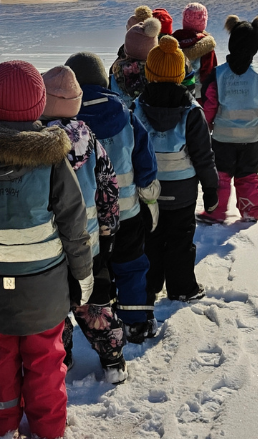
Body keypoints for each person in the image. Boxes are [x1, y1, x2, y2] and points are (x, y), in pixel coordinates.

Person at [0, 61, 94, 439]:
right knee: (46, 360)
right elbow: (73, 221)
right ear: (39, 104)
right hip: (44, 288)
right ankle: (48, 428)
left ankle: (1, 427)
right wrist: (83, 275)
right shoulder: (52, 160)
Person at [66, 51, 161, 345]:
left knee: (98, 271)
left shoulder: (67, 124)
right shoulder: (126, 114)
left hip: (89, 222)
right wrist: (149, 194)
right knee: (132, 265)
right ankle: (135, 321)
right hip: (128, 213)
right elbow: (145, 160)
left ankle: (102, 324)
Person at [39, 66, 127, 384]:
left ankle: (62, 356)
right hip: (88, 243)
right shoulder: (88, 139)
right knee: (94, 305)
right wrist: (109, 229)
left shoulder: (32, 143)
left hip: (48, 246)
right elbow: (108, 186)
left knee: (55, 307)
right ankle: (113, 359)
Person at [135, 37, 219, 312]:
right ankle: (182, 287)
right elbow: (203, 156)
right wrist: (211, 189)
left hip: (149, 190)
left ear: (150, 72)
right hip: (182, 192)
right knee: (181, 240)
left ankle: (151, 285)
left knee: (152, 239)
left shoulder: (137, 108)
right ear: (181, 74)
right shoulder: (192, 112)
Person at [197, 15, 258, 224]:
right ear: (255, 48)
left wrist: (203, 125)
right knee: (248, 176)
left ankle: (215, 212)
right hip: (251, 140)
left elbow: (209, 105)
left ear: (231, 43)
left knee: (221, 177)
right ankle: (250, 210)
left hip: (223, 139)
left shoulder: (218, 74)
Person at [172, 3, 219, 97]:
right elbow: (209, 74)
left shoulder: (172, 42)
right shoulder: (207, 47)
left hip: (174, 93)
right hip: (198, 95)